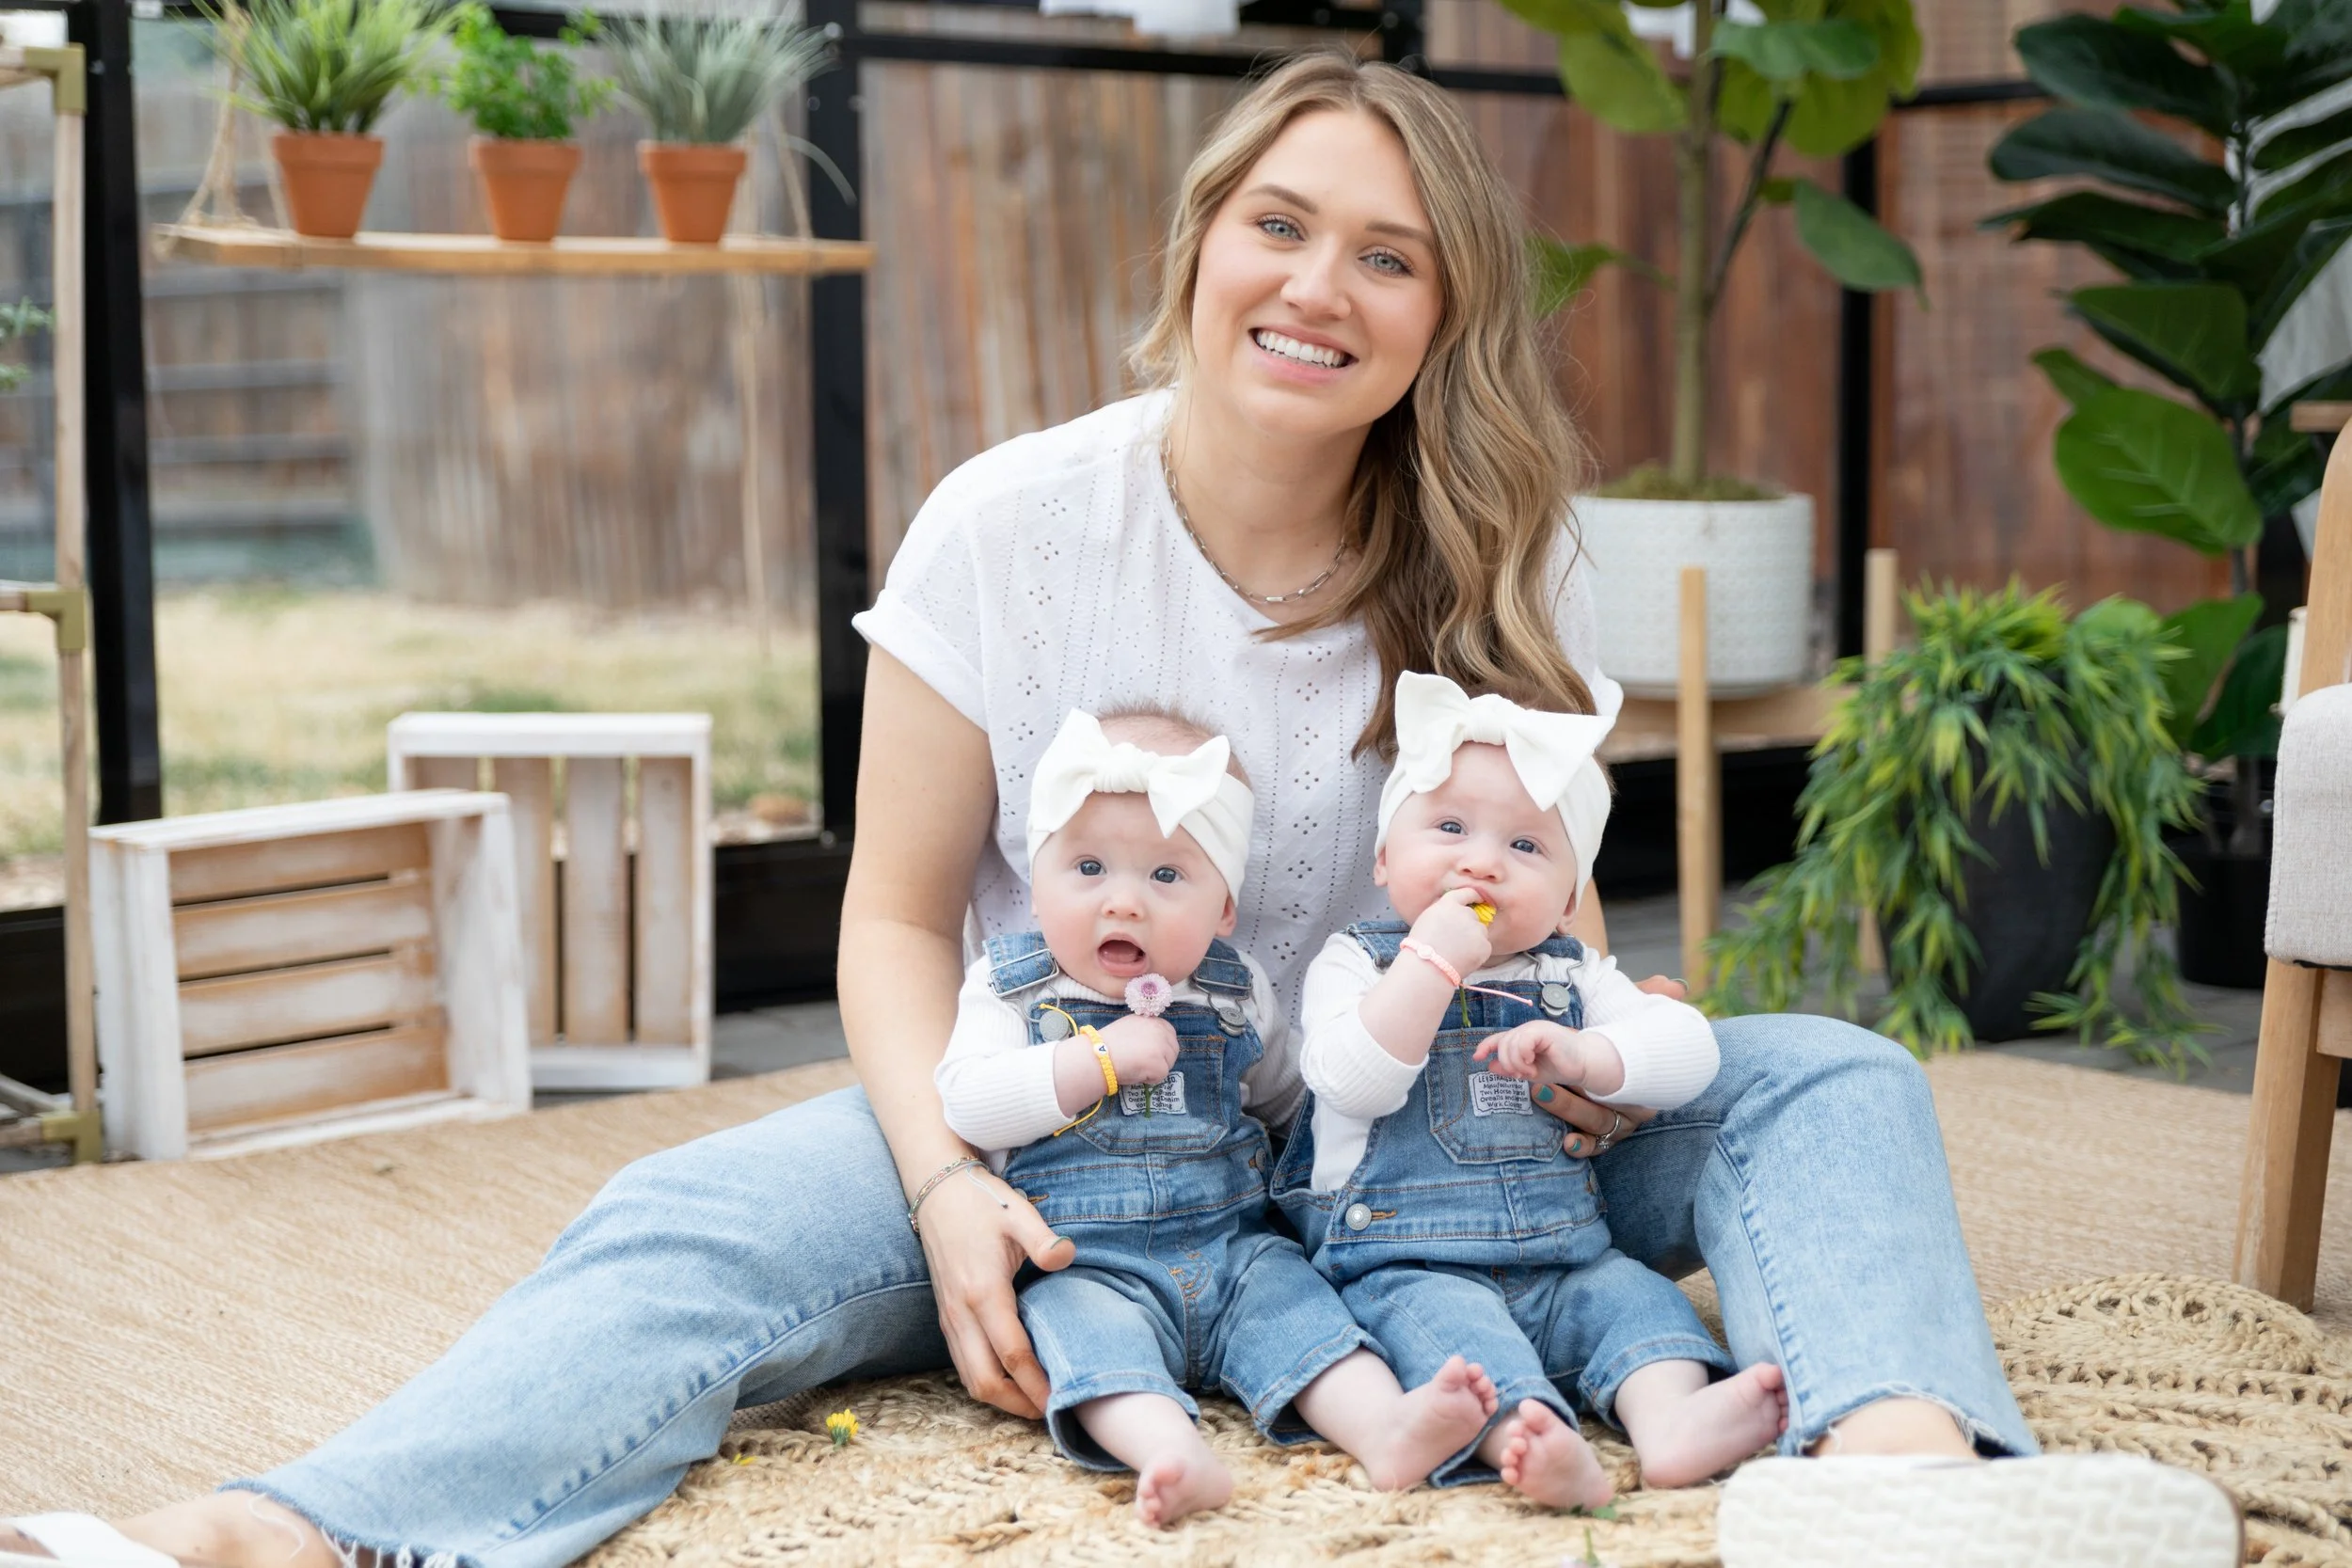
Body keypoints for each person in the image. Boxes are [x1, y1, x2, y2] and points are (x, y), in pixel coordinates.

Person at [1, 49, 2236, 1568]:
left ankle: (1902, 1487)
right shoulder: (1013, 525)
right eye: (1282, 224)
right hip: (1071, 1125)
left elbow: (1548, 895)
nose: (1319, 287)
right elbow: (887, 925)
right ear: (1200, 244)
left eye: (1389, 254)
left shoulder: (1505, 553)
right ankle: (278, 1533)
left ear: (1440, 312)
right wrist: (952, 1187)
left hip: (1423, 1144)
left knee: (1825, 1075)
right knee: (693, 1227)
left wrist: (1582, 1054)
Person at [934, 705, 1498, 1526]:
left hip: (1234, 1248)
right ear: (1037, 877)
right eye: (1088, 867)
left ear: (1224, 907)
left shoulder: (1238, 992)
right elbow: (970, 1101)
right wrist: (1093, 1062)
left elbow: (1286, 1099)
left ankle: (1386, 1427)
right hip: (1086, 1262)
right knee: (1089, 1344)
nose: (1123, 902)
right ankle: (1170, 1448)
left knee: (1306, 1313)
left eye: (1166, 876)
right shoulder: (1010, 986)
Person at [1279, 670, 1783, 1511]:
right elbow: (1348, 1081)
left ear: (1570, 897)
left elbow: (1688, 1052)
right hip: (1407, 1262)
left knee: (1640, 1306)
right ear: (1384, 857)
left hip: (1564, 1256)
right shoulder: (1358, 962)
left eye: (1526, 847)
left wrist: (1590, 1055)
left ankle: (1671, 1424)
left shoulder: (1573, 973)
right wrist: (1432, 963)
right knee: (1459, 1354)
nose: (1480, 860)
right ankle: (1528, 1435)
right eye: (1448, 827)